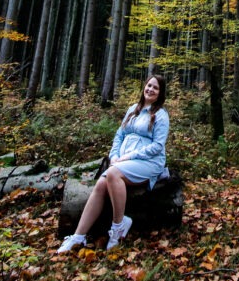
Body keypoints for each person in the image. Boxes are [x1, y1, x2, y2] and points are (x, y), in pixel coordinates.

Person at [57, 74, 170, 253]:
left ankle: (118, 227)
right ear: (144, 86)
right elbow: (120, 135)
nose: (150, 90)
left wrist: (129, 156)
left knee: (112, 174)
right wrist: (114, 156)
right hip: (124, 160)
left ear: (161, 93)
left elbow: (157, 146)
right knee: (101, 184)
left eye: (155, 88)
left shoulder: (161, 116)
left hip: (149, 162)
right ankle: (78, 236)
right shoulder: (134, 109)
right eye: (149, 85)